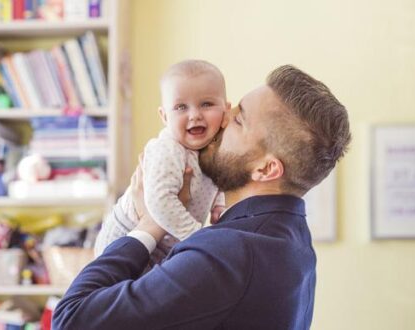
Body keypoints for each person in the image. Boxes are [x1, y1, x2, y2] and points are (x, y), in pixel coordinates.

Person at [54, 65, 351, 329]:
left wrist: (150, 224)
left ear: (266, 168)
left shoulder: (228, 253)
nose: (222, 118)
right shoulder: (293, 241)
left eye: (239, 120)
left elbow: (71, 319)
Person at [93, 59, 229, 265]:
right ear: (164, 117)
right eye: (181, 107)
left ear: (226, 109)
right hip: (127, 236)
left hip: (166, 244)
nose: (194, 115)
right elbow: (159, 201)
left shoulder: (216, 147)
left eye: (206, 104)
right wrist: (197, 236)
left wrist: (219, 205)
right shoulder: (169, 149)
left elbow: (216, 178)